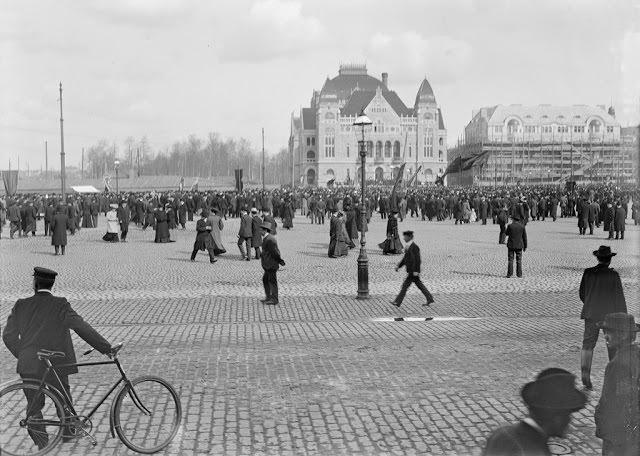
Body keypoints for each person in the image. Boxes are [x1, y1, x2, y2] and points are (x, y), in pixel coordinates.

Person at [3, 267, 113, 450]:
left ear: (35, 284)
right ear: (52, 285)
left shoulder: (21, 304)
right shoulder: (60, 304)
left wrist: (23, 353)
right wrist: (105, 347)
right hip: (56, 361)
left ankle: (41, 442)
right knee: (63, 396)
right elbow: (81, 326)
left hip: (30, 362)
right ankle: (69, 431)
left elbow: (8, 335)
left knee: (34, 403)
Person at [482, 368, 587, 456]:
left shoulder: (501, 433)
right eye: (567, 414)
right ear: (556, 417)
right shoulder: (536, 451)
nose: (569, 421)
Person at [579, 245, 627, 390]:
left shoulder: (588, 273)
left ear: (598, 258)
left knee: (588, 345)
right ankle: (614, 378)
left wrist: (591, 303)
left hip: (591, 313)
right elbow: (619, 298)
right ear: (609, 260)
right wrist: (623, 318)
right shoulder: (614, 276)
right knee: (613, 346)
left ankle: (585, 376)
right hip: (610, 316)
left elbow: (582, 294)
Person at [594, 313, 640, 456]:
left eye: (610, 332)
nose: (606, 336)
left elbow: (612, 402)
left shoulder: (617, 364)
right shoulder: (636, 354)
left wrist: (601, 423)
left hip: (618, 435)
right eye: (605, 331)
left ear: (623, 335)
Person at [391, 231, 435, 307]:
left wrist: (416, 271)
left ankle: (398, 302)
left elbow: (418, 260)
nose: (404, 238)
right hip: (411, 271)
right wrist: (399, 266)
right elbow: (405, 258)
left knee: (405, 286)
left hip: (413, 271)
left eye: (405, 237)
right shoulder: (408, 246)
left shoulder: (414, 247)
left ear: (409, 237)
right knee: (419, 285)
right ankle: (429, 298)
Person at [259, 222, 285, 305]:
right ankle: (269, 297)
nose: (260, 231)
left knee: (272, 282)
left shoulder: (270, 239)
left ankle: (274, 299)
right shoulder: (266, 238)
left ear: (265, 230)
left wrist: (280, 261)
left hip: (271, 264)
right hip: (267, 264)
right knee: (265, 280)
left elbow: (275, 252)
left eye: (261, 229)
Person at [505, 214, 527, 278]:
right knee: (519, 260)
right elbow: (524, 237)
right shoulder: (522, 226)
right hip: (519, 245)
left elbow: (506, 233)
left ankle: (509, 274)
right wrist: (525, 246)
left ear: (513, 219)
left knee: (510, 260)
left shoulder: (510, 226)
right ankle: (519, 274)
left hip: (511, 245)